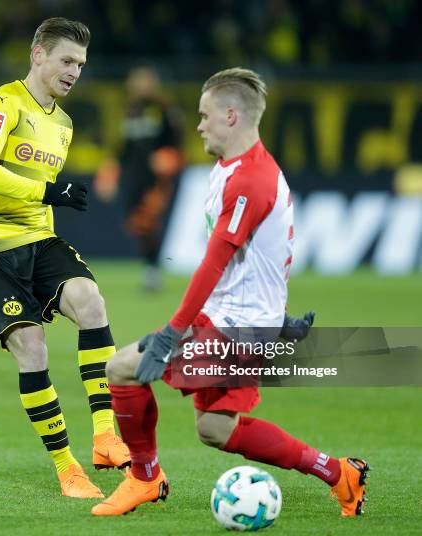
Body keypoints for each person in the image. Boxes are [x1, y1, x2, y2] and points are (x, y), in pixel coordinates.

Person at [92, 68, 368, 517]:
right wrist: (277, 320)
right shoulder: (237, 168)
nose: (198, 125)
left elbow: (215, 263)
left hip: (232, 328)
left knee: (122, 368)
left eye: (205, 115)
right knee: (216, 429)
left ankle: (144, 477)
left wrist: (171, 333)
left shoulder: (249, 181)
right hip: (240, 320)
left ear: (232, 116)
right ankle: (339, 473)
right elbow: (260, 260)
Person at [0, 17, 129, 499]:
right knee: (32, 347)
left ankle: (104, 436)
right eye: (67, 60)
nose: (75, 71)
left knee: (90, 300)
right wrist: (46, 190)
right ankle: (67, 468)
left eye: (81, 64)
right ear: (38, 54)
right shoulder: (2, 102)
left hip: (37, 237)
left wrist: (47, 213)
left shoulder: (64, 124)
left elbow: (40, 203)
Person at [95, 67, 184, 291]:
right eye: (135, 81)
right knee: (135, 222)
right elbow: (122, 148)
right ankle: (150, 267)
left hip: (155, 178)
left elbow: (177, 142)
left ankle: (152, 270)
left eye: (143, 81)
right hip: (132, 176)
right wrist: (109, 174)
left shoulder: (165, 109)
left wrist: (169, 158)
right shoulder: (129, 110)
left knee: (148, 220)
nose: (138, 85)